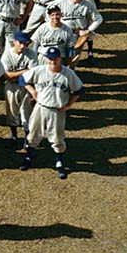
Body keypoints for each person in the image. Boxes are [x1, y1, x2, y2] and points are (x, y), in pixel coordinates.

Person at [21, 46, 84, 178]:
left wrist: (69, 105)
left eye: (55, 58)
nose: (52, 61)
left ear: (60, 58)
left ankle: (59, 162)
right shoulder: (40, 70)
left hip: (57, 110)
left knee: (57, 136)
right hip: (41, 107)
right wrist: (32, 91)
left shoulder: (68, 74)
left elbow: (79, 90)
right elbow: (22, 79)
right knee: (33, 133)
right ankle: (28, 157)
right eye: (50, 59)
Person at [0, 31, 38, 149]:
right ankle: (14, 136)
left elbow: (32, 74)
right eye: (20, 43)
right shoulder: (7, 54)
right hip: (11, 87)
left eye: (25, 43)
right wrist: (23, 72)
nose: (22, 46)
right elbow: (7, 76)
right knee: (12, 112)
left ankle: (27, 138)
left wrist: (17, 74)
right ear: (14, 42)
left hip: (26, 86)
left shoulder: (31, 53)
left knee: (27, 113)